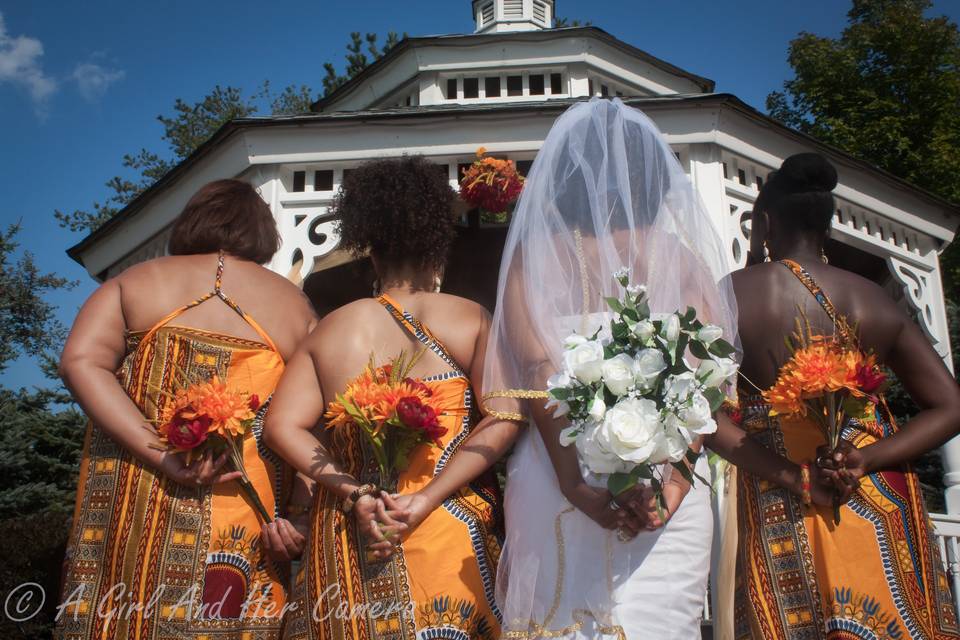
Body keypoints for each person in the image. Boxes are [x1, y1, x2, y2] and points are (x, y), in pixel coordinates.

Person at [482, 97, 739, 638]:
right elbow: (710, 383)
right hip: (667, 490)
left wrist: (577, 485)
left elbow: (536, 376)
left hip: (558, 474)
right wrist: (673, 482)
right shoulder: (682, 255)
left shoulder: (537, 256)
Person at [706, 153, 960, 639]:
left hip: (780, 493)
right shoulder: (872, 297)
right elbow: (950, 406)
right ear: (827, 226)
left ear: (764, 221)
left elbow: (704, 416)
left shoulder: (732, 294)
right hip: (874, 490)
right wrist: (864, 458)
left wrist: (795, 477)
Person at [264, 155, 516, 640]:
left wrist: (353, 491)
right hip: (444, 523)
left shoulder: (331, 328)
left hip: (350, 533)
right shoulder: (469, 317)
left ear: (372, 253)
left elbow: (282, 427)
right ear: (437, 252)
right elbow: (506, 416)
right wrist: (423, 499)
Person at [57, 179, 317, 639]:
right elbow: (312, 420)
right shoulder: (296, 308)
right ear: (262, 235)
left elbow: (80, 362)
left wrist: (161, 454)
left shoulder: (134, 282)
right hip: (241, 506)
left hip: (133, 500)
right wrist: (299, 515)